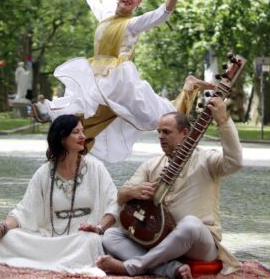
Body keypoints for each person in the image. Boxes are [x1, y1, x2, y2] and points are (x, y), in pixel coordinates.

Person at [45, 0, 183, 164]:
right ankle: (71, 157)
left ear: (138, 2)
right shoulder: (105, 15)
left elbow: (160, 14)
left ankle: (70, 156)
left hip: (116, 82)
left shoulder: (133, 24)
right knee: (79, 118)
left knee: (94, 119)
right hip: (94, 76)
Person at [97, 96, 243, 278]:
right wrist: (131, 192)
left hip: (198, 243)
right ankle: (170, 269)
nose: (160, 137)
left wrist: (223, 121)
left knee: (190, 225)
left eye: (166, 132)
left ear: (185, 133)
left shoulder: (206, 160)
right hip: (159, 239)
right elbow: (121, 195)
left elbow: (235, 163)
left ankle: (132, 267)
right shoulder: (152, 165)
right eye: (158, 132)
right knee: (112, 236)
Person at [0, 114, 118, 276]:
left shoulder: (95, 167)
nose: (82, 136)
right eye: (76, 132)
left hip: (80, 239)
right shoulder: (44, 172)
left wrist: (98, 228)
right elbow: (23, 210)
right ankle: (57, 257)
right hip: (48, 237)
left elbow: (115, 204)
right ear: (62, 137)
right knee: (9, 238)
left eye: (83, 131)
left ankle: (56, 257)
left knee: (90, 242)